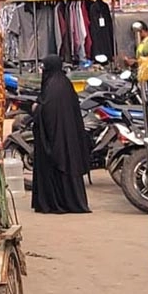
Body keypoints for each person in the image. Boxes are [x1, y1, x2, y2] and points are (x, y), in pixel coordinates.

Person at [31, 56, 92, 214]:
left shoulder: (52, 87)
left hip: (56, 141)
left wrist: (36, 109)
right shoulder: (65, 84)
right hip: (67, 138)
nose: (42, 70)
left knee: (56, 167)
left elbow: (48, 113)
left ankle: (55, 202)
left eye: (44, 67)